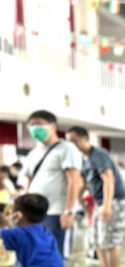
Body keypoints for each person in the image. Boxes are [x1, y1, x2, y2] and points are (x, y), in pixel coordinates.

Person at [66, 127, 125, 267]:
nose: (71, 145)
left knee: (110, 242)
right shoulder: (84, 158)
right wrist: (78, 201)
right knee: (98, 242)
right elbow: (84, 182)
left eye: (74, 141)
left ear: (84, 139)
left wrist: (107, 205)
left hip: (113, 201)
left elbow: (109, 179)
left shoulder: (98, 154)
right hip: (99, 203)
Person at [18, 111, 83, 259]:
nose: (35, 128)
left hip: (57, 212)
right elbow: (27, 184)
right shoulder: (33, 154)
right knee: (35, 254)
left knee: (55, 257)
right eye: (32, 125)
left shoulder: (67, 149)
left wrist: (69, 211)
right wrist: (23, 210)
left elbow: (74, 181)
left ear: (53, 126)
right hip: (34, 213)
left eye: (39, 124)